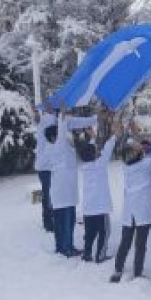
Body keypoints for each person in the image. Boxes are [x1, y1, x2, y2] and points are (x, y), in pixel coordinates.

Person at [110, 137, 151, 283]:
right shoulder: (147, 164)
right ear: (138, 154)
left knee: (125, 242)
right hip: (142, 212)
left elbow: (130, 144)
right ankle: (137, 272)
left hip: (129, 212)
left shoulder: (126, 166)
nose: (141, 148)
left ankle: (118, 270)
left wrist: (135, 142)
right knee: (140, 244)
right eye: (139, 148)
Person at [77, 124, 120, 263]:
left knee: (89, 233)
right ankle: (100, 255)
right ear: (94, 155)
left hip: (88, 208)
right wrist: (114, 135)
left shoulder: (84, 167)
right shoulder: (100, 165)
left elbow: (90, 151)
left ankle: (87, 254)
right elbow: (107, 148)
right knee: (104, 232)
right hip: (101, 208)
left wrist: (92, 137)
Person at [49, 101, 81, 257]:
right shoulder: (60, 146)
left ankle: (60, 247)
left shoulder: (52, 149)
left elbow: (59, 130)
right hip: (66, 195)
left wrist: (56, 115)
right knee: (68, 223)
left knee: (60, 223)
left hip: (59, 195)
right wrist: (61, 112)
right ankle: (67, 248)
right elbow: (61, 131)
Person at [34, 103, 57, 232]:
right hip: (44, 168)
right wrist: (37, 114)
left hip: (52, 168)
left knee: (52, 194)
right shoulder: (44, 121)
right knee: (47, 195)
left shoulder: (55, 117)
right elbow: (37, 121)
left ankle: (52, 217)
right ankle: (48, 222)